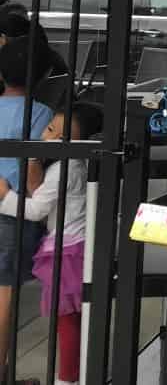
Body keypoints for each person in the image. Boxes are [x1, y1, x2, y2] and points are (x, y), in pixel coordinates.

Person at [0, 103, 104, 385]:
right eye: (49, 129)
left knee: (66, 322)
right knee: (72, 320)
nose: (50, 138)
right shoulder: (76, 164)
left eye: (61, 136)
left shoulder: (63, 169)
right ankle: (73, 375)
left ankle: (66, 379)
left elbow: (36, 210)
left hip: (66, 250)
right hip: (76, 245)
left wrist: (4, 196)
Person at [0, 32, 53, 385]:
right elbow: (34, 172)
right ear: (43, 75)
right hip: (11, 213)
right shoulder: (43, 113)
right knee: (3, 298)